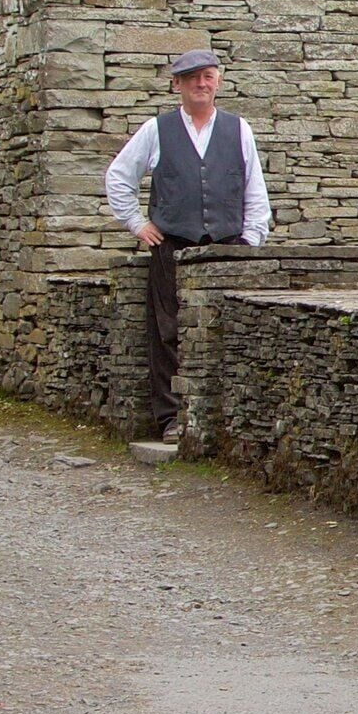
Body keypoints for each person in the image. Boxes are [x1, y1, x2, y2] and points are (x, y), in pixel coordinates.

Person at [102, 48, 271, 439]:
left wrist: (251, 238)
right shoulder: (156, 130)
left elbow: (254, 189)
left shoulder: (238, 129)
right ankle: (171, 419)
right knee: (167, 331)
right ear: (176, 84)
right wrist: (137, 224)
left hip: (227, 245)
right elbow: (118, 176)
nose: (201, 83)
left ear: (218, 82)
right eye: (192, 77)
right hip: (171, 244)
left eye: (207, 76)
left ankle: (228, 418)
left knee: (229, 329)